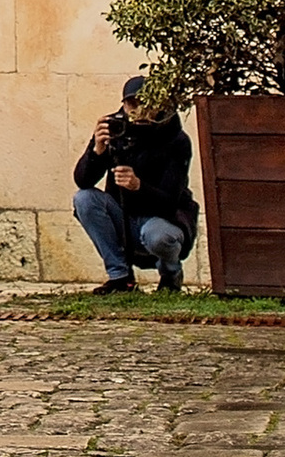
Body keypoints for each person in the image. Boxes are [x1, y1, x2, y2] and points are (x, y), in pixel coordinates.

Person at [73, 77, 198, 296]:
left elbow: (170, 201)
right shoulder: (115, 129)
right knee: (84, 199)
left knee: (158, 236)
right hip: (124, 215)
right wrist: (96, 152)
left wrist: (138, 186)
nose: (140, 111)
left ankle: (170, 276)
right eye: (133, 104)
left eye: (147, 104)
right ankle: (120, 277)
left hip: (163, 220)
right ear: (123, 104)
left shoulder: (176, 139)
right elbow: (83, 181)